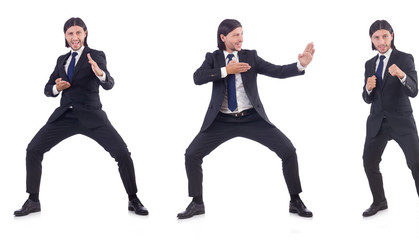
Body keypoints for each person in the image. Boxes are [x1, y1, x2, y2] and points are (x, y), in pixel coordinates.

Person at [177, 19, 315, 219]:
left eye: (242, 33)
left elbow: (277, 71)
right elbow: (197, 77)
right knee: (191, 154)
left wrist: (300, 65)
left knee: (288, 151)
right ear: (223, 37)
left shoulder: (250, 56)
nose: (240, 38)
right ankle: (197, 203)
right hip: (221, 120)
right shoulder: (213, 58)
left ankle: (295, 200)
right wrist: (226, 71)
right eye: (235, 35)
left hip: (252, 118)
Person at [13, 17, 148, 216]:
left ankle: (133, 199)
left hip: (92, 116)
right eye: (70, 34)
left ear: (85, 33)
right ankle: (33, 200)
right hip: (66, 116)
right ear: (65, 37)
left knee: (122, 153)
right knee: (33, 149)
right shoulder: (62, 60)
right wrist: (55, 88)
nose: (74, 37)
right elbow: (47, 88)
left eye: (78, 32)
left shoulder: (96, 55)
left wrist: (99, 72)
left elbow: (109, 83)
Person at [361, 20, 419, 235]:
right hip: (377, 122)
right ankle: (379, 201)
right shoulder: (369, 64)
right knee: (369, 162)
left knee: (417, 166)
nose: (381, 41)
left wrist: (402, 76)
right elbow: (367, 98)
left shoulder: (404, 58)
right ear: (371, 40)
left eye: (385, 36)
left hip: (402, 122)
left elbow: (414, 90)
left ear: (392, 36)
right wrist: (367, 88)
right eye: (376, 38)